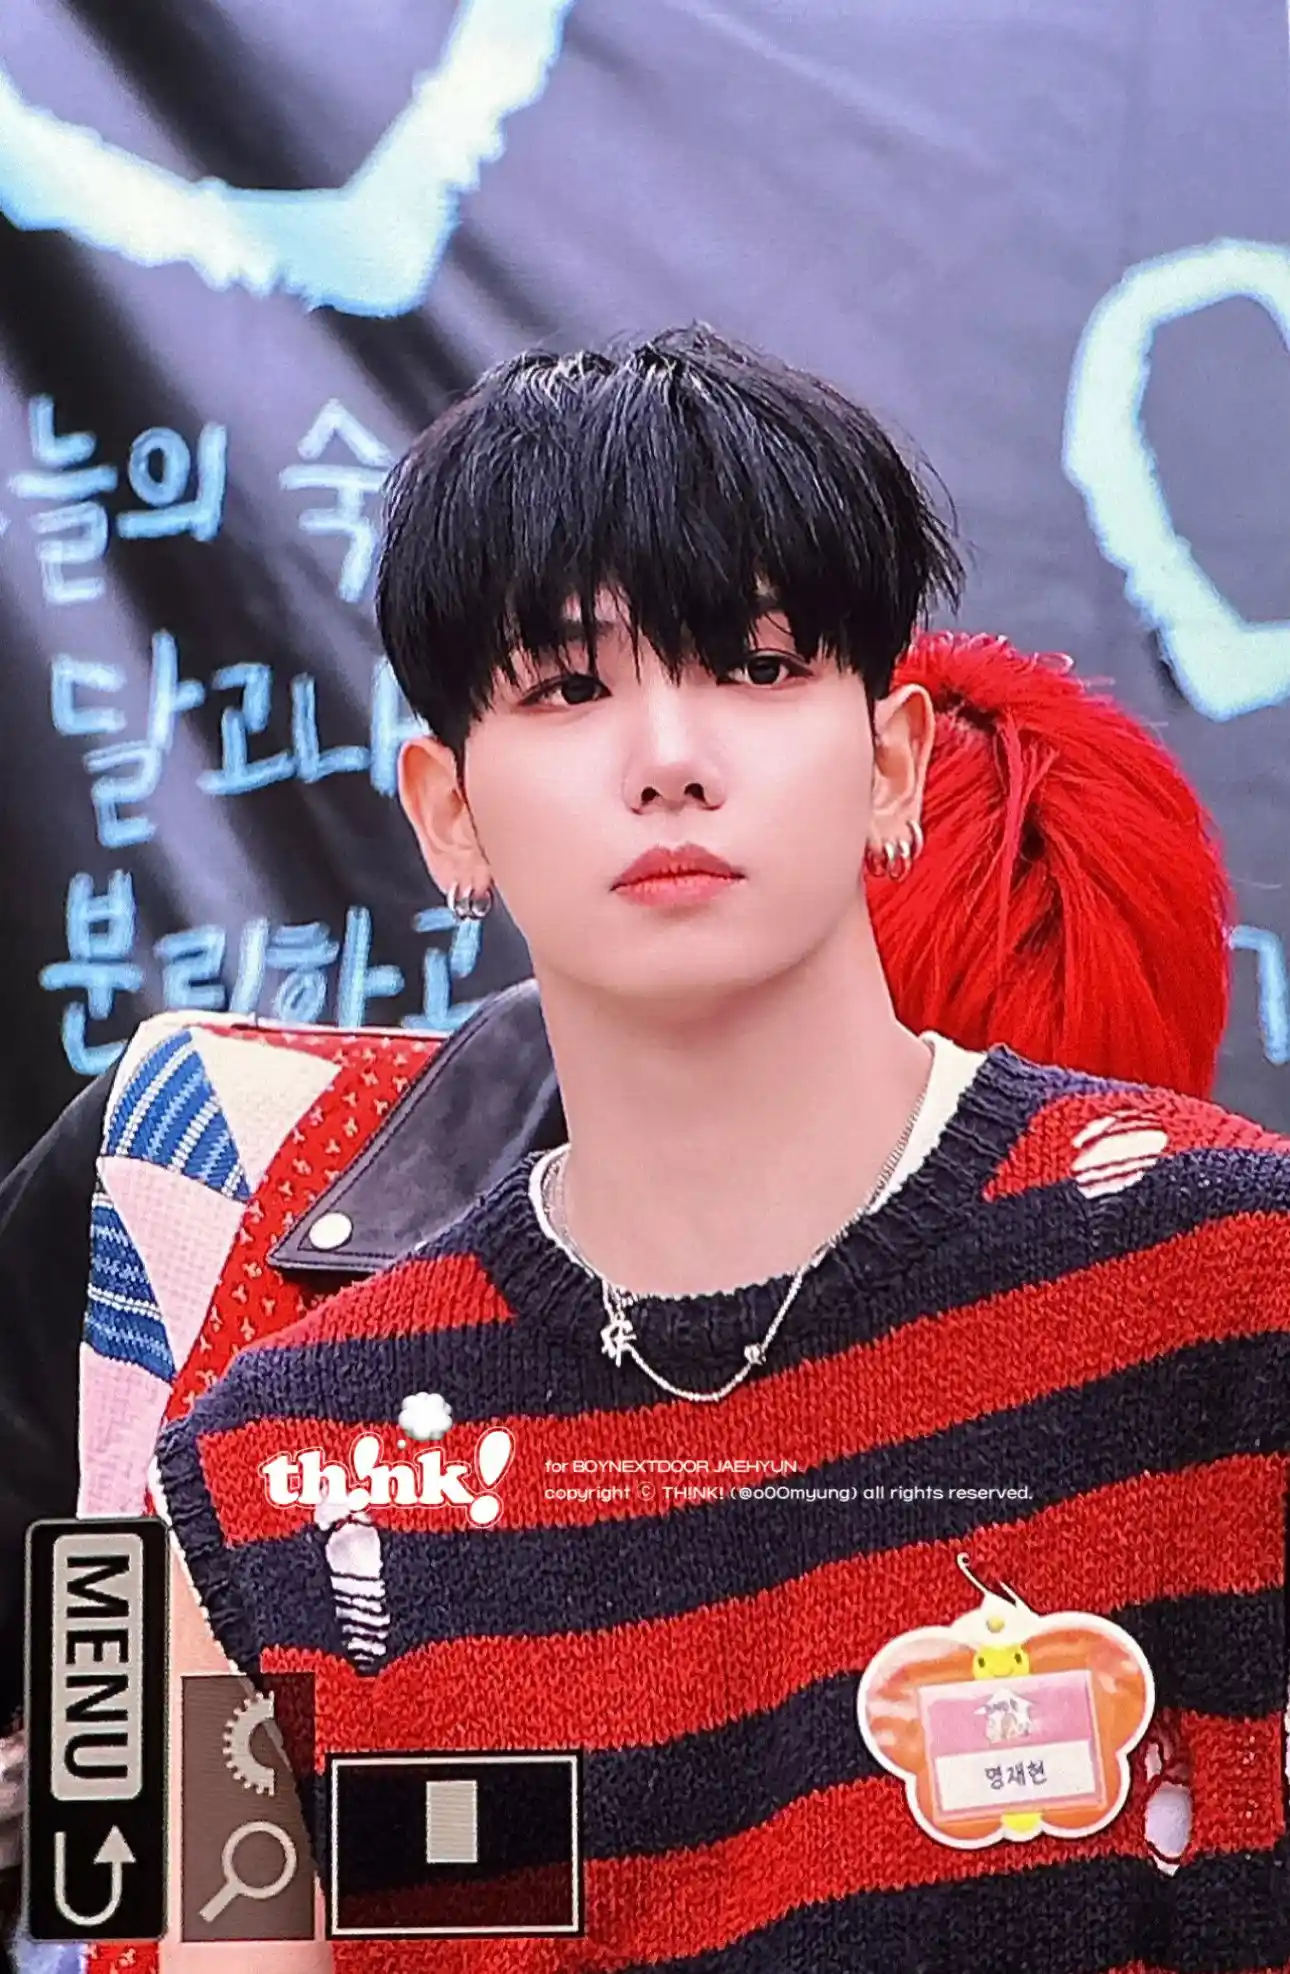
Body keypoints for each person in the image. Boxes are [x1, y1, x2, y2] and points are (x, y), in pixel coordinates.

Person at [145, 327, 1288, 1974]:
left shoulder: (1232, 1289)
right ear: (446, 809)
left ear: (890, 758)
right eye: (568, 686)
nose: (669, 755)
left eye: (754, 666)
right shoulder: (261, 1490)